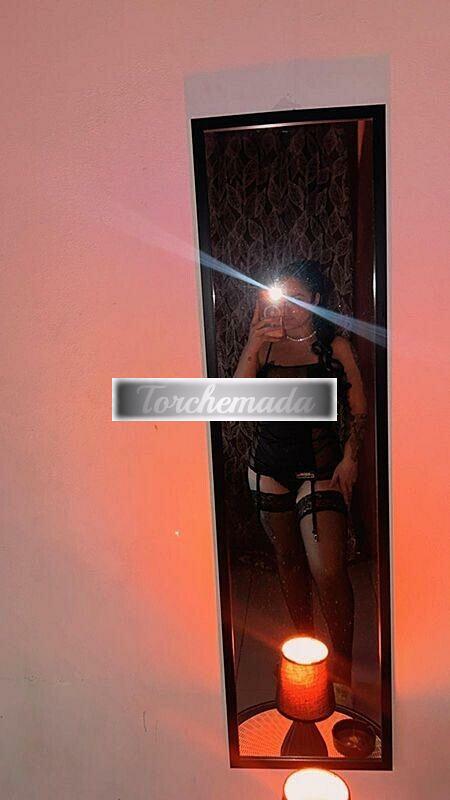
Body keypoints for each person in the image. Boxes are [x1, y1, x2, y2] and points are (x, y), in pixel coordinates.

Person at [233, 259, 368, 700]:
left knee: (327, 569)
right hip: (268, 467)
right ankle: (306, 656)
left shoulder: (336, 345)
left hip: (320, 467)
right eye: (282, 298)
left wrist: (350, 458)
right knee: (288, 563)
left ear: (316, 300)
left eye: (298, 299)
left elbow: (358, 408)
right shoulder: (266, 345)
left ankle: (343, 672)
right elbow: (236, 405)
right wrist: (253, 343)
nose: (289, 308)